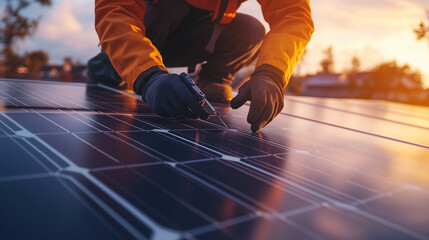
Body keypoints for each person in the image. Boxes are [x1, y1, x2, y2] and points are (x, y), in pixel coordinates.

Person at [89, 0, 314, 132]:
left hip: (199, 36)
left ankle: (215, 78)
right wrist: (146, 74)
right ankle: (112, 66)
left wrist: (271, 73)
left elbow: (293, 16)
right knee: (168, 8)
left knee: (250, 30)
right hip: (145, 31)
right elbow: (115, 9)